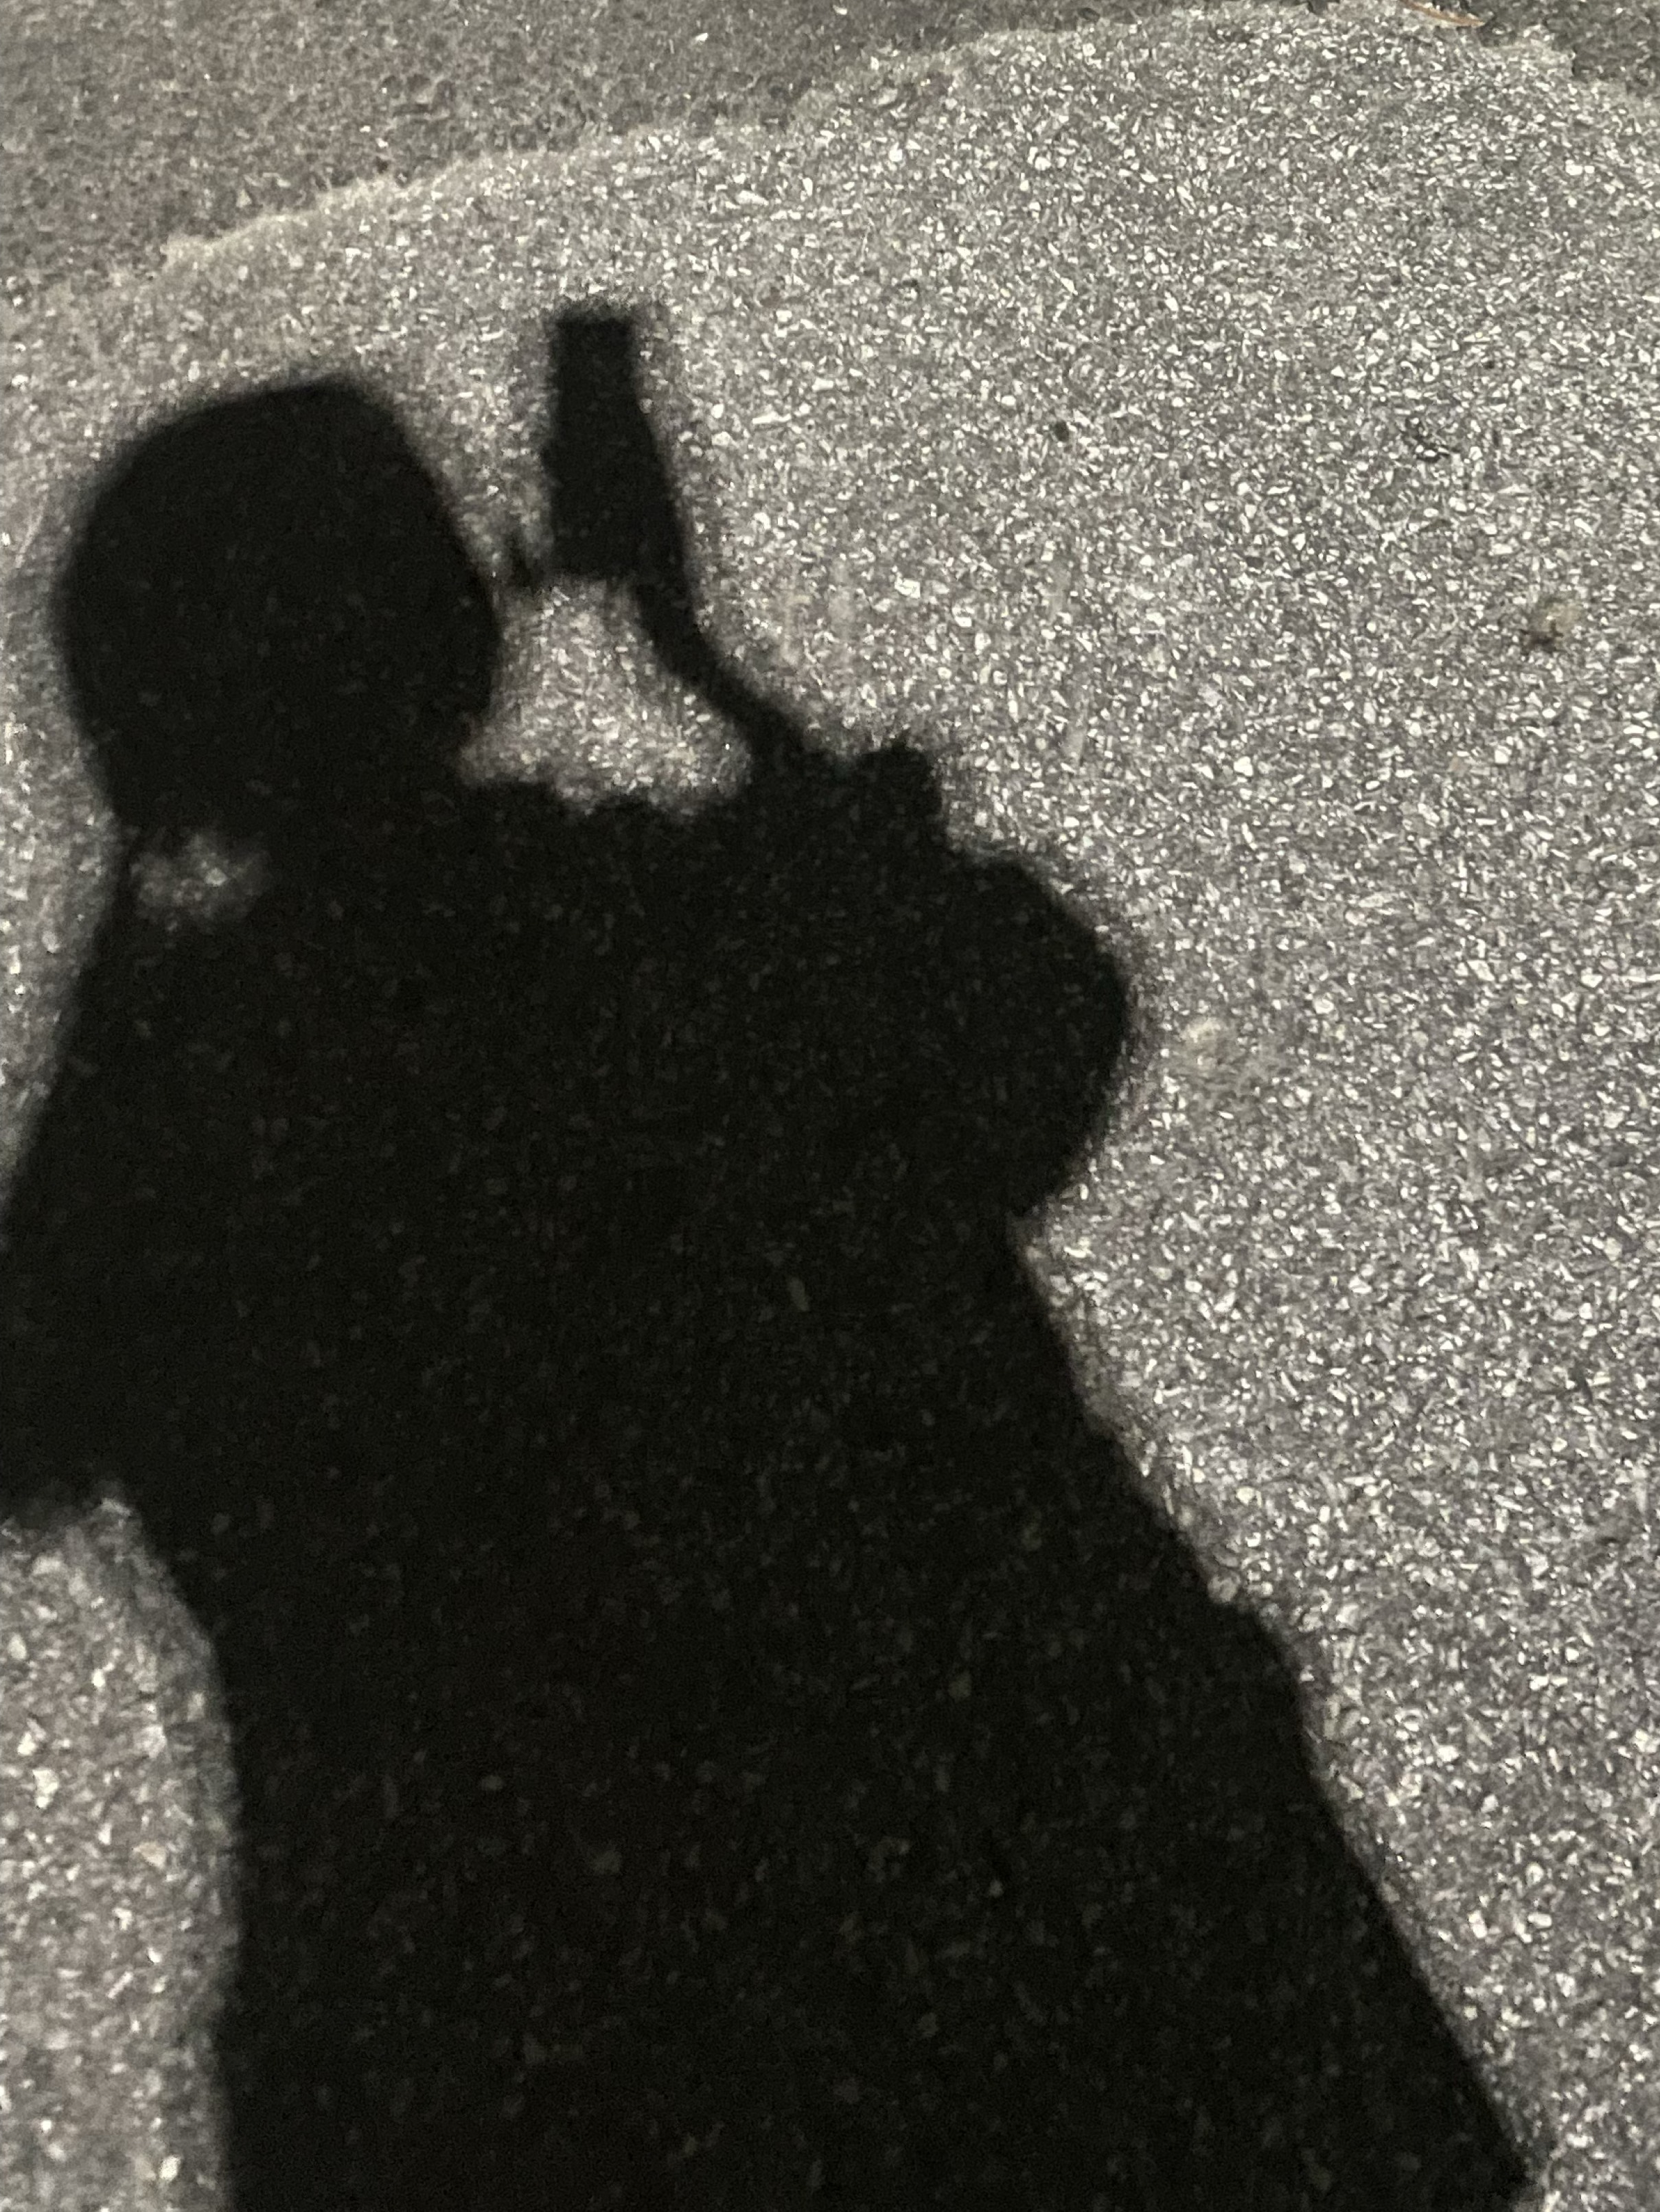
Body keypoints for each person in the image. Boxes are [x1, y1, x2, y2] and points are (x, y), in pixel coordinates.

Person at [0, 308, 1537, 2210]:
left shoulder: (180, 1152)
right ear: (452, 623)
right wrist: (696, 651)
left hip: (516, 2072)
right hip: (1039, 1944)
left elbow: (29, 1415)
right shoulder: (693, 948)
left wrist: (128, 919)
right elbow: (1040, 1017)